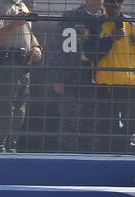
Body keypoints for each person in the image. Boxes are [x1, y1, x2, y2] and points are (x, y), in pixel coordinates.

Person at [86, 0, 135, 152]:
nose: (113, 5)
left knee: (134, 123)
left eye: (117, 2)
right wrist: (110, 39)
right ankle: (108, 155)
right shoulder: (96, 24)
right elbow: (89, 52)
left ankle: (127, 151)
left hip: (132, 85)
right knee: (108, 126)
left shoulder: (134, 24)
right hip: (107, 85)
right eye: (109, 2)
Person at [0, 0, 42, 152]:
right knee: (5, 106)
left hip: (25, 63)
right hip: (8, 62)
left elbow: (29, 33)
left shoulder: (22, 6)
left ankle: (12, 144)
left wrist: (36, 47)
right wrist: (13, 24)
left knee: (19, 109)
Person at [51, 0, 103, 153]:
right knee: (69, 121)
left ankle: (90, 159)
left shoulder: (107, 19)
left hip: (99, 77)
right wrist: (57, 77)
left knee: (94, 122)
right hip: (72, 75)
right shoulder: (70, 17)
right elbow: (57, 49)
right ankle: (66, 159)